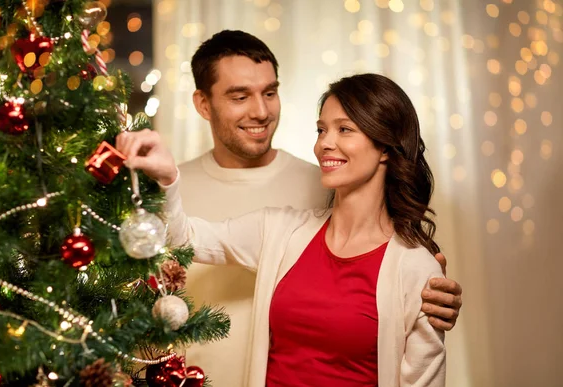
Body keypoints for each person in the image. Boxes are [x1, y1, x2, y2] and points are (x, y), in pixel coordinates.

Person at [159, 30, 460, 386]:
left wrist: (429, 282)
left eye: (344, 129)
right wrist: (164, 178)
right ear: (203, 103)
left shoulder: (412, 264)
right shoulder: (281, 230)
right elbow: (183, 236)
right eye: (321, 130)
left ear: (385, 147)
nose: (324, 144)